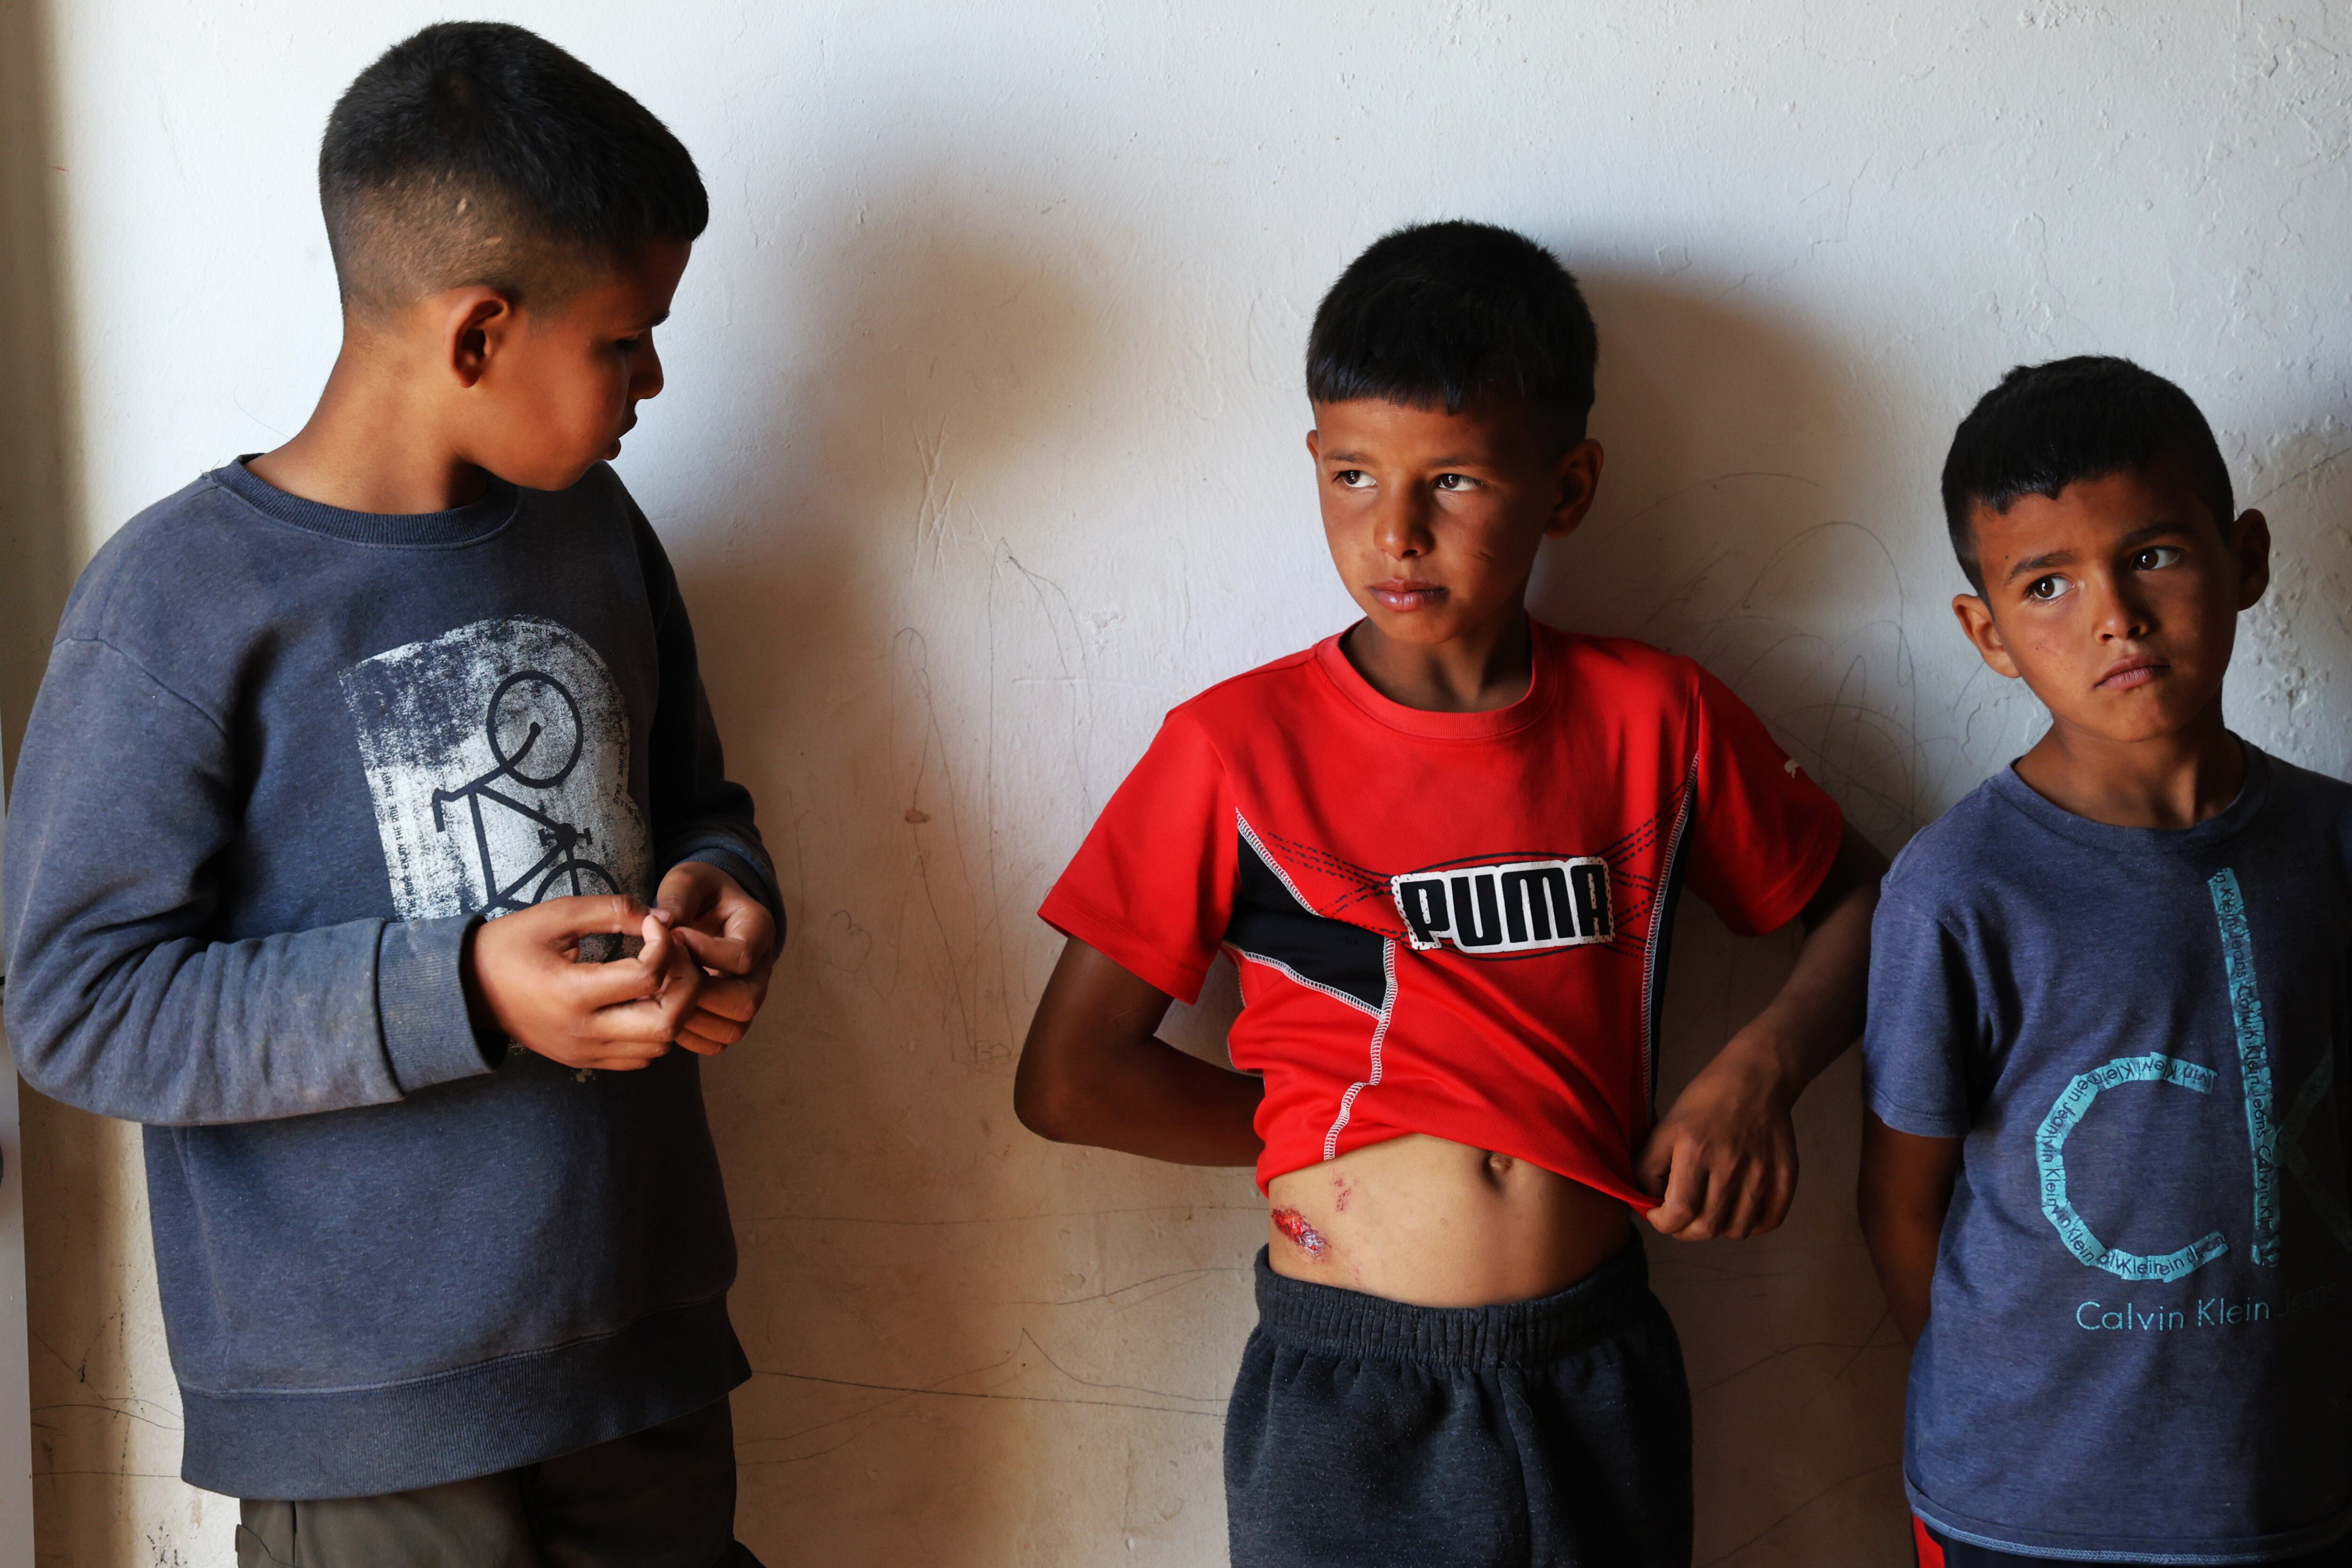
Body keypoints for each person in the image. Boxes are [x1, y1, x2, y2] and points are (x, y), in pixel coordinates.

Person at [1, 22, 779, 1565]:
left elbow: (696, 796)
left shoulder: (597, 529)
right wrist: (466, 992)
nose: (655, 380)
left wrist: (727, 894)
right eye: (625, 339)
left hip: (641, 1353)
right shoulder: (178, 601)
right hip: (368, 1421)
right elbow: (77, 1004)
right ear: (480, 329)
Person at [1014, 220, 1885, 1567]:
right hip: (1351, 1382)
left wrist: (1760, 1068)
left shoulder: (1656, 718)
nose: (1395, 530)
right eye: (1351, 474)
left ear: (1570, 483)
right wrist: (1330, 1133)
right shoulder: (1234, 750)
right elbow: (1070, 1078)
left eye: (1459, 479)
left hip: (1590, 1356)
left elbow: (1870, 903)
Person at [1860, 356, 2352, 1567]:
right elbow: (1899, 1201)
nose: (2114, 616)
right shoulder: (1961, 886)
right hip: (2021, 1507)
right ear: (1985, 632)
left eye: (2155, 555)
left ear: (2243, 557)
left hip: (2294, 1486)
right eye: (2047, 584)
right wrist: (2026, 1399)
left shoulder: (2334, 844)